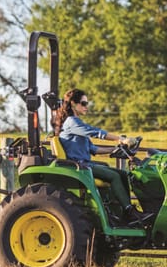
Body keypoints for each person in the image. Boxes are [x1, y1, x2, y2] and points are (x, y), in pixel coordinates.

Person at [53, 88, 153, 226]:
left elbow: (93, 149)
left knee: (123, 174)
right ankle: (130, 212)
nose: (86, 106)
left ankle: (125, 212)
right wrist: (120, 139)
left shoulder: (77, 125)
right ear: (73, 104)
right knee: (114, 176)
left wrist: (117, 149)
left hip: (85, 165)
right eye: (83, 103)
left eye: (87, 103)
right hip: (80, 166)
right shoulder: (72, 122)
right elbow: (96, 132)